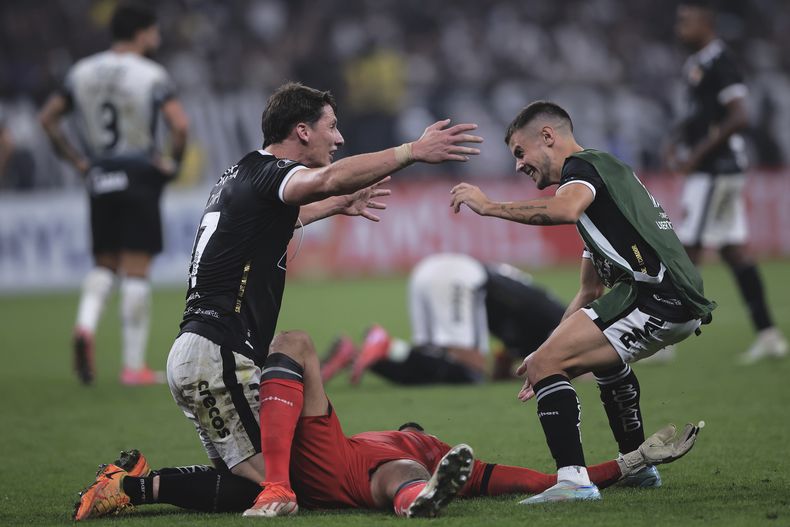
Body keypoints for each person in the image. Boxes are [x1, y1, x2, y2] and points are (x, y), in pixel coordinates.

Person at [158, 81, 481, 517]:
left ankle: (132, 485)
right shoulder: (270, 173)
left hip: (195, 353)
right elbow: (327, 179)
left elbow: (271, 222)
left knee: (244, 485)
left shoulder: (242, 173)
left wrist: (335, 206)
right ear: (303, 131)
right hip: (219, 354)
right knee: (293, 484)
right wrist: (412, 151)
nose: (340, 138)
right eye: (332, 126)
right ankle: (131, 485)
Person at [72, 328, 703, 520]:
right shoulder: (414, 442)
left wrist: (625, 465)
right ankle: (134, 483)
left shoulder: (413, 444)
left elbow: (533, 480)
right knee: (399, 469)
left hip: (334, 464)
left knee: (292, 351)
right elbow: (527, 478)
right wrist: (625, 465)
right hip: (343, 464)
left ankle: (135, 485)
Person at [449, 101, 716, 503]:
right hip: (673, 297)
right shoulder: (605, 190)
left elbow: (564, 208)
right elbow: (589, 293)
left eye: (520, 153)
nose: (519, 165)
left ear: (548, 137)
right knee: (592, 362)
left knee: (547, 364)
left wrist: (488, 207)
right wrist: (546, 352)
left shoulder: (582, 169)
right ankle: (639, 467)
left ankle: (573, 481)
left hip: (655, 295)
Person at [38, 3, 189, 385]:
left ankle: (85, 325)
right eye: (153, 32)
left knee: (104, 264)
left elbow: (48, 118)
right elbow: (180, 125)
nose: (156, 39)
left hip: (100, 173)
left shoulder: (81, 71)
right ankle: (133, 366)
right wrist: (172, 162)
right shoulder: (151, 74)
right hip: (138, 172)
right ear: (141, 33)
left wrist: (76, 160)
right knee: (136, 271)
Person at [666, 0, 787, 364]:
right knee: (734, 252)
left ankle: (665, 337)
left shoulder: (722, 62)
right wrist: (675, 139)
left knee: (687, 250)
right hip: (715, 169)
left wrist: (697, 154)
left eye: (687, 21)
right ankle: (769, 335)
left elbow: (739, 116)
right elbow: (701, 115)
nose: (680, 28)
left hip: (717, 169)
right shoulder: (697, 64)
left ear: (707, 22)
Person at [321, 253, 566, 385]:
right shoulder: (561, 324)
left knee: (433, 366)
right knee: (470, 373)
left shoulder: (543, 316)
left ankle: (360, 353)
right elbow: (570, 365)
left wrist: (503, 376)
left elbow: (507, 357)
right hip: (460, 276)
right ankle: (388, 346)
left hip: (436, 270)